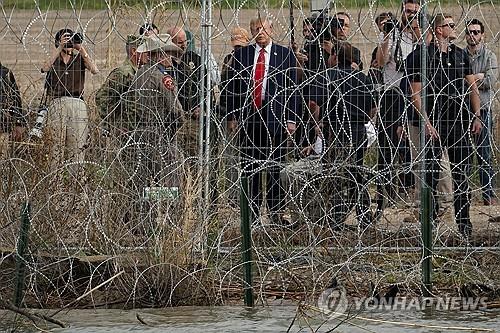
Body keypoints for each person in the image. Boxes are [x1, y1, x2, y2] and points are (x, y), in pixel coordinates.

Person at [407, 13, 482, 238]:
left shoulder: (460, 55)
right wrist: (427, 122)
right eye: (449, 25)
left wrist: (477, 115)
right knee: (430, 174)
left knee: (461, 174)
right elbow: (416, 94)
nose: (454, 27)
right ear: (438, 30)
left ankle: (464, 225)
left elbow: (472, 88)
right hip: (434, 123)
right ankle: (429, 224)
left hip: (458, 121)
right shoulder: (421, 56)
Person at [222, 16, 299, 224]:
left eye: (264, 28)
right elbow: (233, 88)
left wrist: (291, 119)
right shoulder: (243, 55)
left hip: (274, 116)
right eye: (256, 29)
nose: (261, 32)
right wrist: (232, 115)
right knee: (250, 166)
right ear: (252, 31)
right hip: (250, 115)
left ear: (271, 30)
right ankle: (252, 214)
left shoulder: (284, 55)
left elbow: (292, 89)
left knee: (275, 166)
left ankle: (275, 212)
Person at [312, 42, 377, 229]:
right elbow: (372, 109)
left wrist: (318, 121)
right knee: (356, 173)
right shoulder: (362, 78)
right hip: (357, 131)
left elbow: (314, 104)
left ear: (336, 57)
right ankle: (364, 217)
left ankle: (335, 219)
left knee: (334, 175)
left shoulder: (328, 76)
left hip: (333, 130)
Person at [128, 35, 184, 228]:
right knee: (172, 181)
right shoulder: (163, 78)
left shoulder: (139, 74)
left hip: (140, 132)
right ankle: (172, 220)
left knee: (145, 180)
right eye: (168, 53)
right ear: (159, 55)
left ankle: (144, 222)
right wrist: (174, 129)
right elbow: (177, 111)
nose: (171, 58)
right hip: (161, 133)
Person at [374, 0, 419, 219]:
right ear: (402, 11)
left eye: (414, 13)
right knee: (386, 145)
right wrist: (386, 35)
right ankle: (384, 193)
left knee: (410, 145)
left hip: (414, 94)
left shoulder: (418, 36)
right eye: (408, 11)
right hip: (392, 94)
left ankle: (411, 192)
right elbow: (381, 62)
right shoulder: (392, 34)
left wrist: (417, 29)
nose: (410, 15)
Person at [41, 28, 98, 166]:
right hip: (57, 102)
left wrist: (80, 48)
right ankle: (55, 183)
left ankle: (76, 181)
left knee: (77, 146)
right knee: (55, 146)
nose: (69, 41)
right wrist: (59, 47)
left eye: (71, 38)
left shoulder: (79, 59)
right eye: (65, 38)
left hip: (77, 102)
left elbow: (95, 70)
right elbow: (44, 68)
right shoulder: (55, 59)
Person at [465, 18, 498, 206]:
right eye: (469, 32)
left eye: (476, 32)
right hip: (463, 111)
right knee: (464, 155)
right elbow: (457, 82)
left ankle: (488, 194)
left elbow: (490, 81)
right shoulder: (460, 55)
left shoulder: (490, 56)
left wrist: (472, 79)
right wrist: (478, 76)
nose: (472, 35)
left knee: (484, 154)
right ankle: (464, 194)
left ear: (482, 35)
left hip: (484, 110)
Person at [95, 35, 146, 136]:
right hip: (123, 129)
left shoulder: (139, 72)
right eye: (145, 50)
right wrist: (111, 124)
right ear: (134, 51)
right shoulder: (123, 73)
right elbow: (101, 97)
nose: (148, 54)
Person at [0, 62, 24, 158]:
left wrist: (18, 123)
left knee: (3, 159)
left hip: (3, 127)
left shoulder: (5, 73)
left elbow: (15, 99)